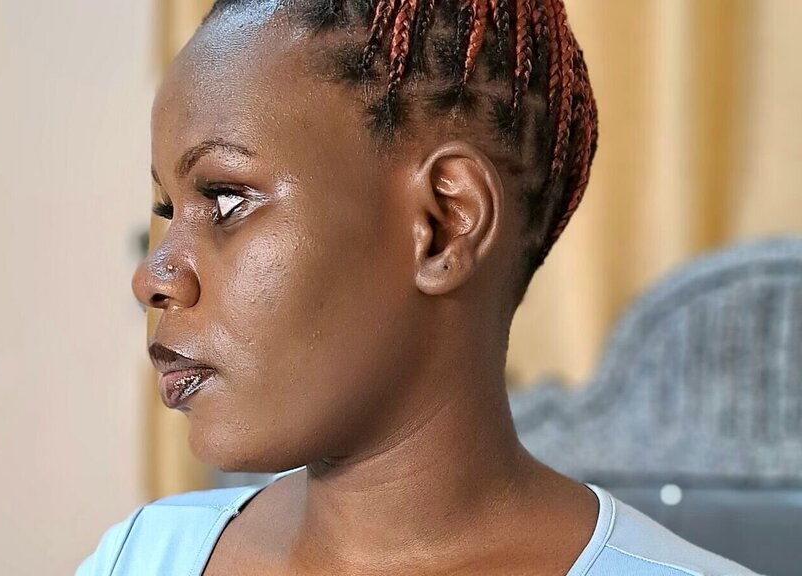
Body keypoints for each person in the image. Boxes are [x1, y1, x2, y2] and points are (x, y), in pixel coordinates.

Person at [79, 0, 760, 574]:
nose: (152, 278)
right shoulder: (142, 557)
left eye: (226, 199)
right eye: (167, 209)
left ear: (443, 225)